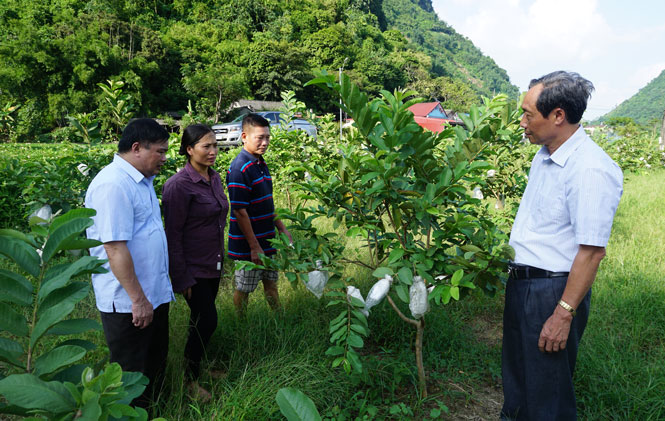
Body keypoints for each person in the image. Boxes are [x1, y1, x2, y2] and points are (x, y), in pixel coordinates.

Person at [501, 71, 623, 420]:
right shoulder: (544, 155)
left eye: (527, 114)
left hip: (553, 292)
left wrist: (562, 313)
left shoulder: (589, 169)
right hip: (525, 286)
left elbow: (592, 251)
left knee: (547, 398)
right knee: (520, 387)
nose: (521, 121)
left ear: (558, 116)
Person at [85, 118, 175, 408]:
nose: (164, 158)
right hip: (129, 303)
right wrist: (138, 300)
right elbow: (114, 246)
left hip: (153, 294)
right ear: (137, 147)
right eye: (160, 152)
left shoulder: (142, 179)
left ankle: (154, 411)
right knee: (130, 374)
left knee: (153, 364)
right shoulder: (112, 185)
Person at [162, 124, 229, 402]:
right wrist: (182, 277)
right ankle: (189, 381)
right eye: (206, 146)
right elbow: (172, 235)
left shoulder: (214, 178)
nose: (213, 151)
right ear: (189, 150)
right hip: (193, 267)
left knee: (199, 321)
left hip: (212, 262)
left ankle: (198, 368)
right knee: (207, 320)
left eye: (215, 145)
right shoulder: (178, 186)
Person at [226, 113, 291, 315]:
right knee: (244, 287)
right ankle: (240, 324)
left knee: (271, 283)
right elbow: (240, 211)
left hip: (267, 240)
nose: (264, 142)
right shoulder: (239, 169)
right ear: (244, 136)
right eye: (259, 138)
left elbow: (268, 202)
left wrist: (281, 227)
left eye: (267, 137)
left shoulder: (260, 163)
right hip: (248, 244)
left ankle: (279, 319)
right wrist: (254, 247)